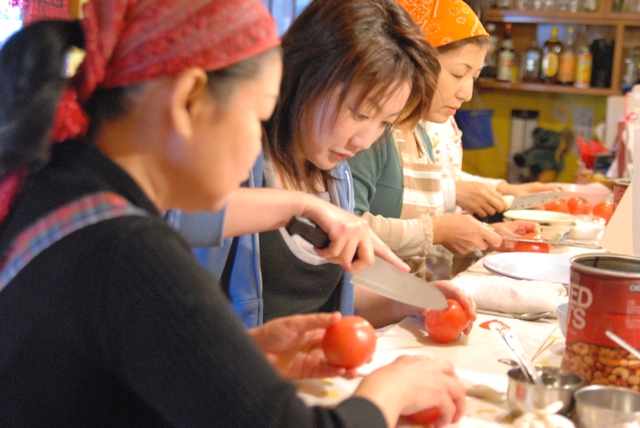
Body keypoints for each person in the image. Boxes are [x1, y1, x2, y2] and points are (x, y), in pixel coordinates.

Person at [0, 1, 466, 426]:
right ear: (189, 100)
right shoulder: (128, 249)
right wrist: (390, 391)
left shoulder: (59, 194)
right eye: (256, 115)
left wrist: (239, 367)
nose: (253, 146)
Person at [173, 0, 473, 329]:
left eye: (385, 123)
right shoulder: (237, 152)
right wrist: (300, 206)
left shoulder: (336, 176)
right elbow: (170, 217)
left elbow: (333, 302)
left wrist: (404, 302)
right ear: (308, 74)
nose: (364, 141)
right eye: (360, 113)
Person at [347, 0, 547, 280]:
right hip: (372, 301)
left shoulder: (422, 137)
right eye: (458, 74)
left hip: (409, 298)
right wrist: (438, 230)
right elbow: (346, 226)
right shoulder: (372, 136)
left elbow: (424, 244)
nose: (467, 93)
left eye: (474, 77)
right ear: (415, 61)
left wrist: (487, 236)